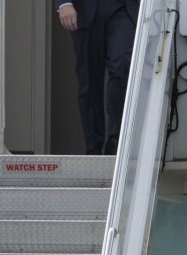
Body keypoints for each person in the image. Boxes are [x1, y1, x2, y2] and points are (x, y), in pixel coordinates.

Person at [55, 0, 139, 155]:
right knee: (89, 81)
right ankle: (93, 147)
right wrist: (64, 3)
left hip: (123, 9)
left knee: (123, 65)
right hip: (85, 9)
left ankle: (116, 140)